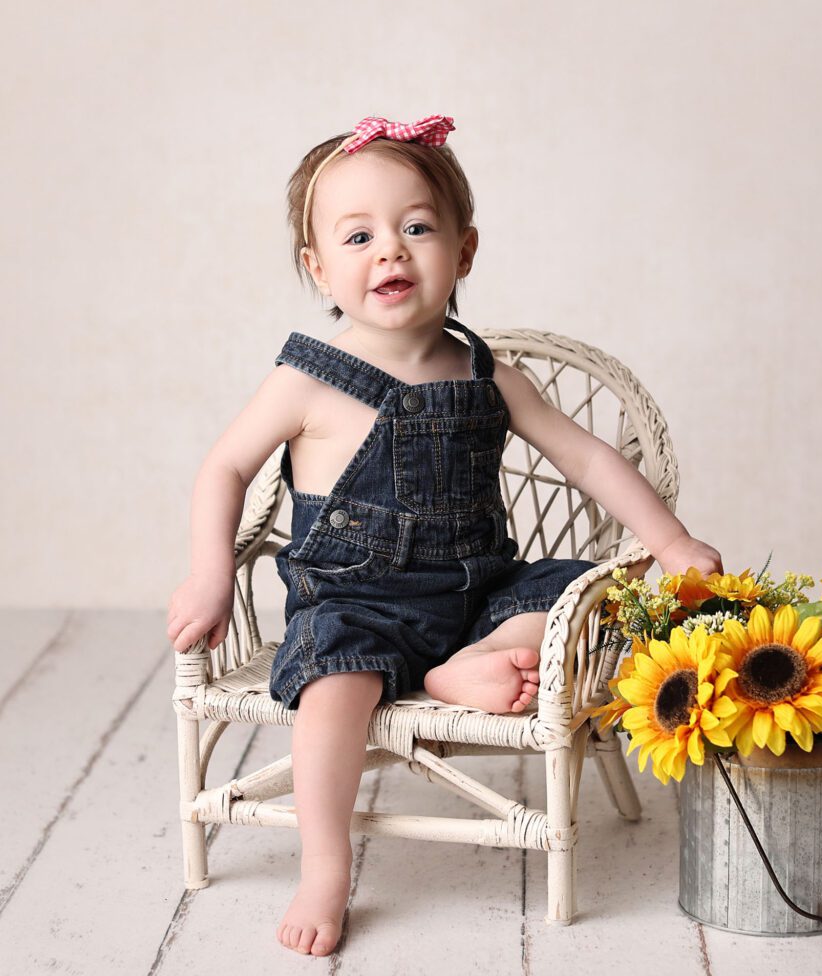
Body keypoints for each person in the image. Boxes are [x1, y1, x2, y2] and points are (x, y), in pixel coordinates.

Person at [165, 113, 723, 958]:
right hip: (352, 604)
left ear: (463, 251)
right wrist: (211, 572)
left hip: (477, 596)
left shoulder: (484, 370)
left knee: (570, 595)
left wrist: (672, 543)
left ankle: (456, 668)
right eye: (358, 236)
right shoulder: (304, 379)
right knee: (331, 691)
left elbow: (583, 455)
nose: (389, 251)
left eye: (416, 227)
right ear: (320, 268)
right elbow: (223, 469)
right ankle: (324, 862)